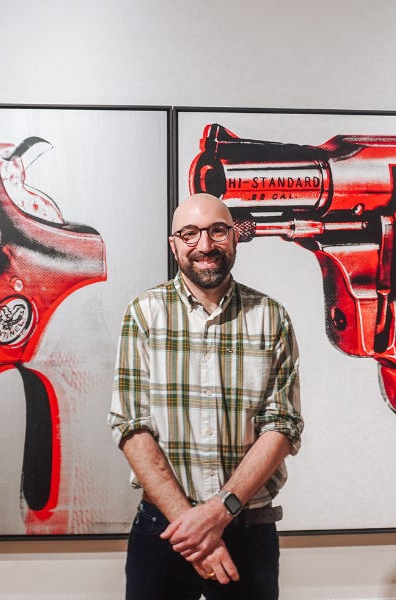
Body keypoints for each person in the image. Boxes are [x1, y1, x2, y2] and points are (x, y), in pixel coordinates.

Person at [109, 193, 303, 599]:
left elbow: (282, 426)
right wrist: (194, 527)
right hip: (163, 529)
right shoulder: (144, 314)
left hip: (248, 529)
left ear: (234, 237)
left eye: (218, 230)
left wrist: (218, 512)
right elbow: (130, 425)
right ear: (174, 244)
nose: (205, 245)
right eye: (190, 233)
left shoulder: (272, 317)